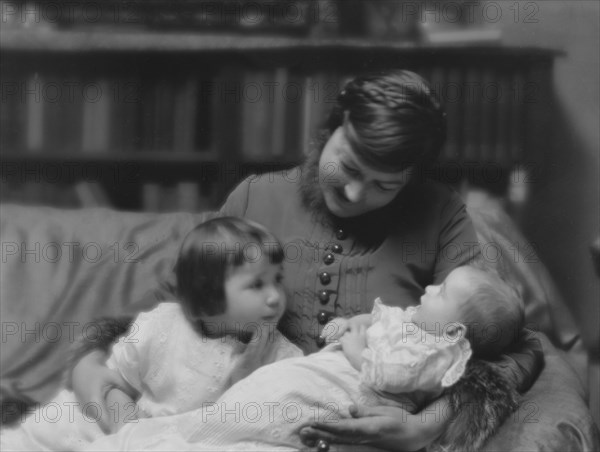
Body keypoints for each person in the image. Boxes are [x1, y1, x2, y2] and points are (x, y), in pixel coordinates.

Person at [69, 70, 542, 451]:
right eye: (350, 166)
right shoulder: (256, 196)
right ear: (330, 128)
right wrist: (93, 366)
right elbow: (176, 305)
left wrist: (429, 425)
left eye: (385, 185)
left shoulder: (439, 215)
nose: (356, 193)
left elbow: (513, 346)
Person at [83, 265, 524, 451]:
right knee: (235, 409)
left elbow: (386, 372)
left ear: (454, 332)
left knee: (250, 419)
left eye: (440, 291)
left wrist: (421, 426)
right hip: (288, 369)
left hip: (334, 394)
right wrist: (358, 324)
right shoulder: (419, 326)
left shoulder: (436, 353)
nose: (427, 290)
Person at [0, 217, 302, 451]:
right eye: (257, 285)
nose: (275, 296)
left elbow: (249, 423)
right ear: (209, 301)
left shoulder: (279, 355)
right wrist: (126, 427)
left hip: (189, 442)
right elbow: (117, 382)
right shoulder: (161, 326)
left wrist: (247, 375)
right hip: (129, 428)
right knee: (56, 425)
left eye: (277, 279)